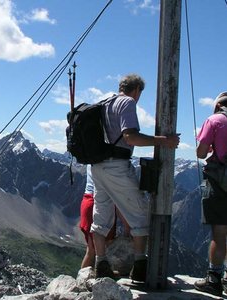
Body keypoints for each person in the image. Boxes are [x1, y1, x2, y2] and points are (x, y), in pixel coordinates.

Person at [90, 74, 180, 281]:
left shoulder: (105, 103)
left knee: (101, 217)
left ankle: (100, 264)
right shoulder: (127, 102)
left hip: (97, 167)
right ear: (137, 90)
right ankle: (140, 266)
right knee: (140, 213)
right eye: (140, 93)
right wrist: (164, 141)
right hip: (117, 166)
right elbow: (131, 137)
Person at [193, 91, 227, 297]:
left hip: (219, 180)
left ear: (217, 106)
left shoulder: (215, 120)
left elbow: (200, 152)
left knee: (220, 231)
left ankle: (214, 278)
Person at [79, 165, 130, 269]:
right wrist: (127, 226)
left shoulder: (93, 155)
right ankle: (92, 278)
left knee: (91, 250)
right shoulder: (110, 160)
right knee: (96, 250)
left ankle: (83, 279)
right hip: (101, 202)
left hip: (89, 200)